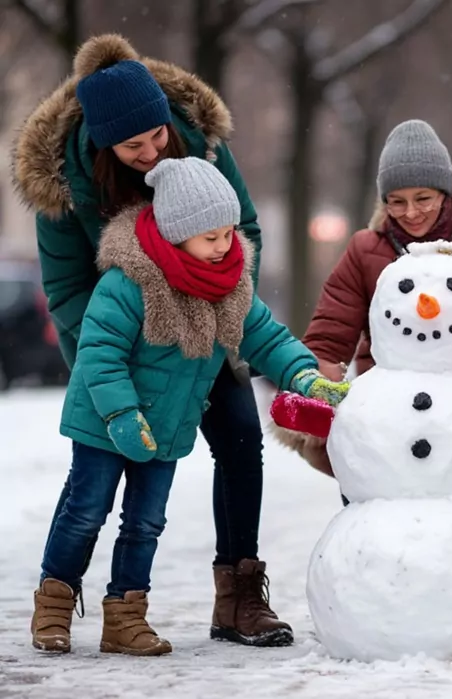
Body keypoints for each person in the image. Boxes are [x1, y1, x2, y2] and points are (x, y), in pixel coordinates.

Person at [12, 34, 293, 645]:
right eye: (133, 145)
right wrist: (113, 373)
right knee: (95, 486)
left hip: (206, 328)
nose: (150, 152)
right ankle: (59, 598)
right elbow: (66, 290)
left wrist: (219, 300)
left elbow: (241, 227)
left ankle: (239, 595)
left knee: (242, 439)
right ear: (102, 140)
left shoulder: (197, 144)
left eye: (156, 136)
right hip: (121, 337)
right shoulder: (64, 182)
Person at [30, 157, 350, 656]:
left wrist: (305, 375)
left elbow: (265, 337)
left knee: (145, 523)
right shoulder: (129, 281)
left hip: (166, 428)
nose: (225, 246)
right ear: (176, 233)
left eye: (228, 233)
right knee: (86, 512)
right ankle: (54, 603)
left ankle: (126, 616)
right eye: (211, 237)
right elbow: (99, 352)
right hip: (104, 422)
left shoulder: (229, 283)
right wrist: (120, 415)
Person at [271, 119, 452, 477]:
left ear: (445, 193)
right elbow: (329, 338)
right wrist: (316, 389)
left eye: (423, 198)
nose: (410, 213)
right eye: (396, 202)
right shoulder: (366, 251)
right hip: (387, 419)